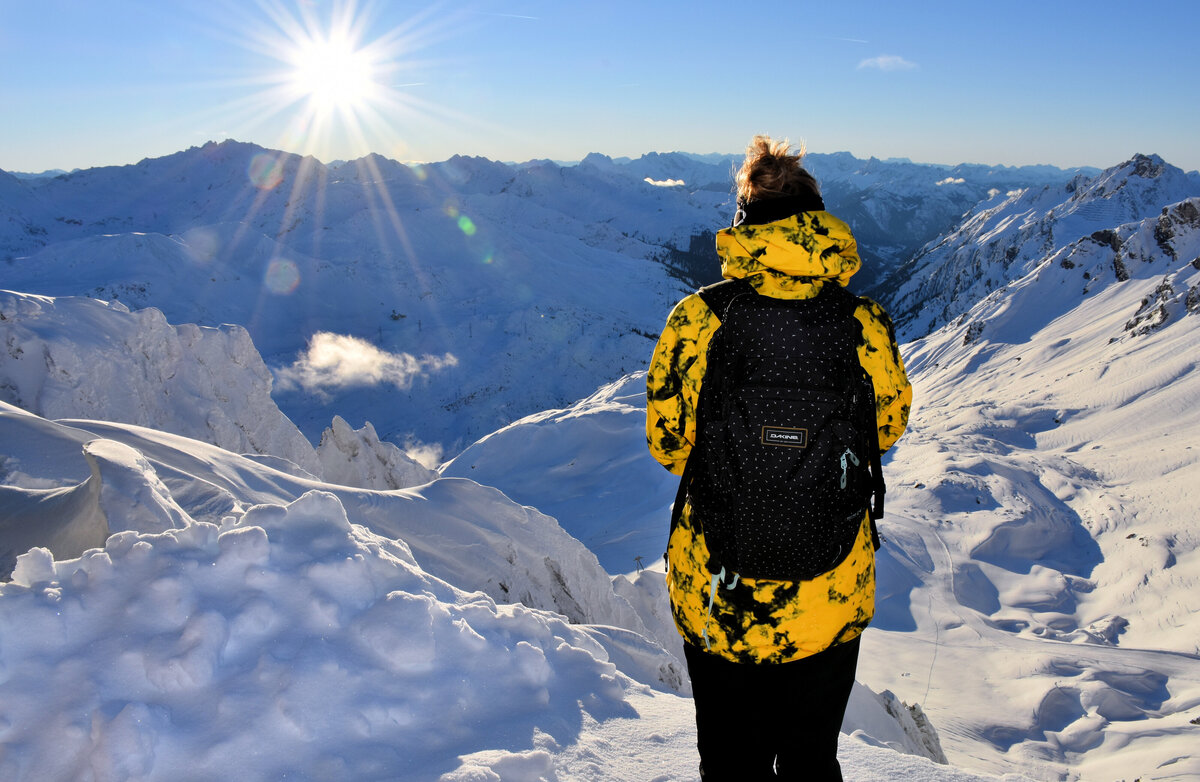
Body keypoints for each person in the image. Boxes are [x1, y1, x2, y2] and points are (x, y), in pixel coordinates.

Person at [646, 135, 912, 781]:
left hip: (718, 581)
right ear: (819, 219)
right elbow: (886, 427)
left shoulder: (699, 317)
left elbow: (667, 443)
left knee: (731, 763)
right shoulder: (863, 321)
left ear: (743, 224)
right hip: (829, 584)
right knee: (811, 760)